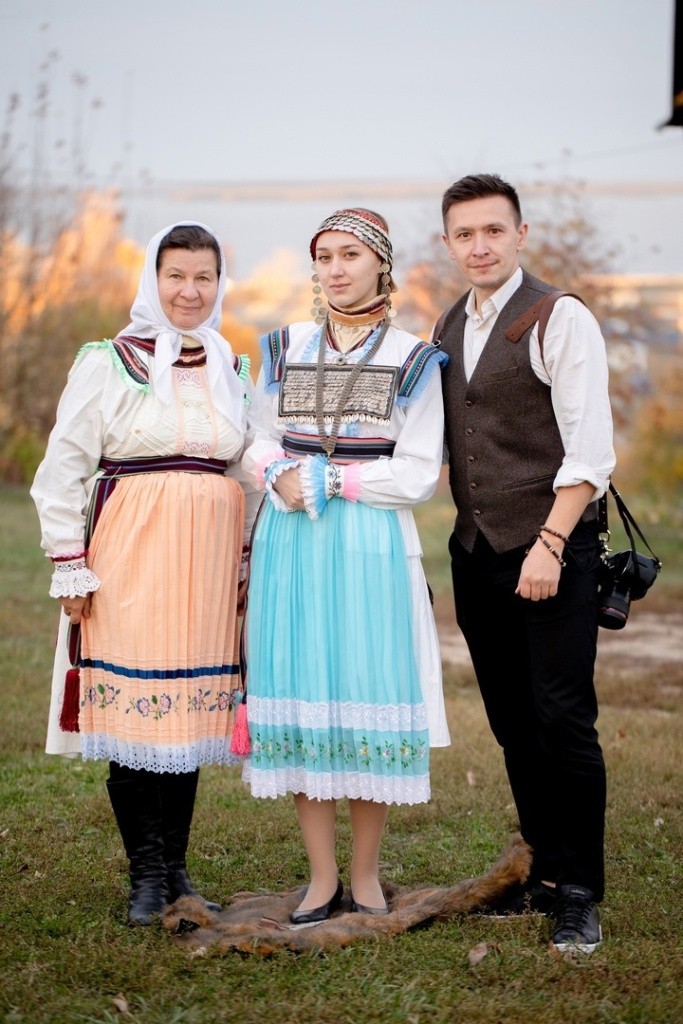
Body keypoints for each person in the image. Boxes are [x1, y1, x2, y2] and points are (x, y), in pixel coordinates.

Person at [31, 222, 254, 925]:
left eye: (204, 277)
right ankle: (147, 879)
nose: (190, 291)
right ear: (152, 281)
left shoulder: (231, 366)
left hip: (209, 563)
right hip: (131, 554)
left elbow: (246, 469)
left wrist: (248, 556)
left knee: (187, 714)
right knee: (136, 715)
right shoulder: (109, 361)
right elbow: (62, 469)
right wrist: (70, 563)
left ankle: (179, 873)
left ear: (219, 284)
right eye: (175, 275)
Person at [241, 208, 450, 922]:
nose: (335, 269)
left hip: (369, 539)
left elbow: (418, 471)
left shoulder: (414, 359)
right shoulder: (284, 347)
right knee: (304, 688)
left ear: (381, 265)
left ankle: (364, 877)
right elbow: (254, 436)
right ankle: (321, 878)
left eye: (351, 255)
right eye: (324, 256)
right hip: (291, 538)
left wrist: (335, 480)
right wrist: (278, 473)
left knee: (364, 685)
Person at [436, 174, 615, 953]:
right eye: (463, 234)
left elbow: (590, 450)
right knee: (512, 723)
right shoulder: (448, 323)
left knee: (562, 719)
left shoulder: (558, 316)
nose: (478, 246)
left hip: (552, 549)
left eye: (491, 231)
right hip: (475, 553)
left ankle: (578, 893)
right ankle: (541, 874)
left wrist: (549, 544)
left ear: (519, 234)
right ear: (448, 243)